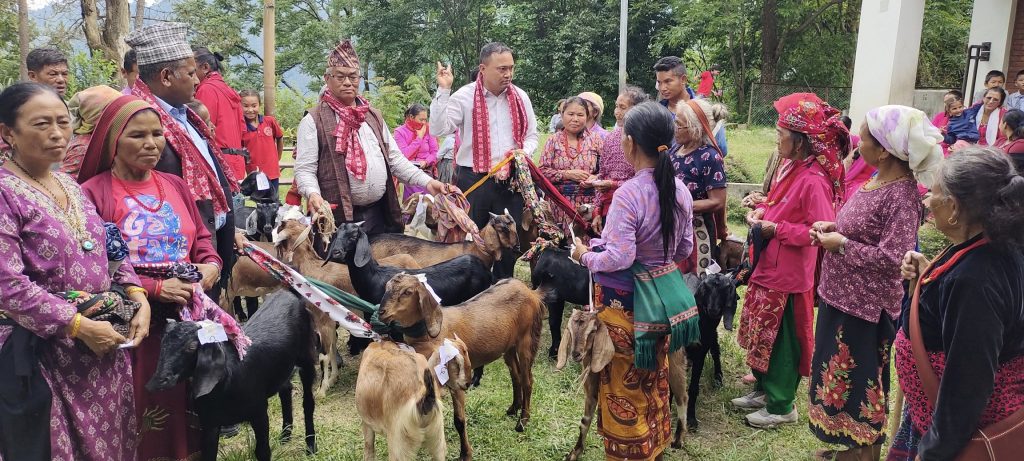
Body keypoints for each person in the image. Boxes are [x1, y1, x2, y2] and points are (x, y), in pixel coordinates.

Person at [0, 82, 150, 461]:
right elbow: (7, 284)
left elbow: (109, 248)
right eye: (41, 124)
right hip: (42, 353)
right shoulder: (5, 192)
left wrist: (136, 295)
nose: (56, 133)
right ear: (7, 134)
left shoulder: (69, 184)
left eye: (63, 122)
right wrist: (77, 326)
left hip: (101, 351)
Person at [79, 94, 229, 461]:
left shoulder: (175, 185)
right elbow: (93, 265)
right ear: (113, 140)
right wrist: (154, 288)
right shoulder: (93, 193)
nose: (151, 144)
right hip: (135, 325)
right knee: (142, 405)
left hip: (187, 319)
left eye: (157, 134)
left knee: (192, 403)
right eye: (137, 136)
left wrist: (211, 265)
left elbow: (203, 238)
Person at [807, 105, 942, 461]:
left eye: (864, 138)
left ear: (884, 149)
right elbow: (862, 229)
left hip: (866, 309)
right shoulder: (876, 178)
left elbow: (891, 261)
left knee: (863, 382)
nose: (858, 143)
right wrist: (832, 228)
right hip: (841, 299)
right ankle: (851, 445)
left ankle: (864, 452)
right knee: (840, 378)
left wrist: (843, 245)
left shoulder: (901, 195)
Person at [571, 101, 697, 461]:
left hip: (625, 308)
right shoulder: (680, 190)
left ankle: (629, 453)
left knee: (622, 385)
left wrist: (584, 255)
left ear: (628, 144)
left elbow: (620, 257)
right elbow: (684, 246)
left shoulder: (629, 194)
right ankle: (654, 447)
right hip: (661, 303)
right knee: (654, 379)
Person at [888, 147, 1024, 461]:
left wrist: (934, 452)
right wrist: (928, 279)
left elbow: (969, 382)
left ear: (954, 207)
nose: (926, 201)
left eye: (933, 193)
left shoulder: (976, 279)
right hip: (938, 417)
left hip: (955, 435)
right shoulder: (988, 244)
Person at [735, 93, 847, 428]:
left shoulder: (813, 180)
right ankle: (765, 389)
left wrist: (775, 228)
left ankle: (782, 405)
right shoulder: (792, 166)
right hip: (769, 265)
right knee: (762, 331)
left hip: (787, 273)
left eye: (781, 134)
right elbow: (784, 205)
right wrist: (763, 205)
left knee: (783, 340)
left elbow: (819, 230)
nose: (776, 138)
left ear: (799, 143)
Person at [124, 23, 244, 299]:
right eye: (190, 73)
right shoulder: (140, 122)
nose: (197, 80)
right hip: (177, 268)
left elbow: (210, 178)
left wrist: (228, 225)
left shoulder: (184, 117)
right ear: (166, 76)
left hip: (208, 252)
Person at [295, 39, 449, 240]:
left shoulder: (372, 115)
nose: (348, 82)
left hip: (378, 213)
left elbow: (395, 160)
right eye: (340, 76)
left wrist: (429, 183)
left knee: (381, 266)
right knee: (341, 270)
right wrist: (313, 194)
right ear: (327, 78)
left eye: (353, 76)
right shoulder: (313, 120)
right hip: (338, 218)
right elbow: (305, 169)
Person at [431, 42, 539, 278]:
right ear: (483, 69)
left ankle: (501, 292)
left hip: (510, 181)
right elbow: (439, 130)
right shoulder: (464, 96)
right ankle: (469, 290)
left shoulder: (520, 97)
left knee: (509, 240)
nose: (508, 74)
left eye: (511, 68)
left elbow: (531, 135)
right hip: (473, 180)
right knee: (470, 237)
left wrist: (523, 153)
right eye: (501, 69)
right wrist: (443, 90)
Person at [671, 98, 727, 274]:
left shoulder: (709, 157)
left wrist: (680, 205)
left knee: (695, 282)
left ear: (694, 128)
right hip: (673, 228)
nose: (675, 128)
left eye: (679, 125)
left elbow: (717, 201)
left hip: (697, 231)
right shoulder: (674, 151)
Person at [539, 96, 602, 233]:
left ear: (587, 116)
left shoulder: (595, 140)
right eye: (570, 114)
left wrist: (595, 177)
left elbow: (607, 170)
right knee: (561, 247)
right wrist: (566, 174)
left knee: (585, 246)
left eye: (580, 115)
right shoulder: (553, 141)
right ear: (562, 115)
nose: (575, 119)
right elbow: (542, 172)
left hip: (588, 206)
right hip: (559, 205)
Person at [591, 85, 648, 233]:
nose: (617, 112)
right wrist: (597, 210)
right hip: (608, 209)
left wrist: (614, 185)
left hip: (635, 209)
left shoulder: (645, 139)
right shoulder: (611, 137)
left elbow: (647, 180)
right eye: (616, 106)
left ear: (637, 109)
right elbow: (602, 174)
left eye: (623, 107)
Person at [193, 47, 248, 181]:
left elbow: (202, 129)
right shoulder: (227, 89)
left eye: (192, 71)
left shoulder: (207, 90)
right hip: (236, 162)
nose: (191, 77)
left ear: (205, 67)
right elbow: (243, 131)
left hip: (220, 164)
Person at [62, 85, 122, 177]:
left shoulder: (104, 139)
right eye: (118, 112)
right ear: (99, 117)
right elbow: (65, 184)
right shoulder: (84, 149)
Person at [240, 90, 284, 200]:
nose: (250, 110)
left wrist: (277, 158)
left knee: (273, 203)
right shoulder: (241, 127)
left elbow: (279, 137)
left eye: (254, 106)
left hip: (272, 173)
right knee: (258, 204)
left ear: (259, 105)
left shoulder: (269, 121)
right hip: (255, 176)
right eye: (245, 106)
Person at [393, 103, 439, 199]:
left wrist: (426, 162)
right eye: (421, 119)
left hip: (427, 172)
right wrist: (419, 138)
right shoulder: (400, 132)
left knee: (427, 205)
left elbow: (435, 152)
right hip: (410, 173)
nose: (423, 123)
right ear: (411, 117)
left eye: (425, 119)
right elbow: (404, 155)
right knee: (413, 205)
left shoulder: (429, 129)